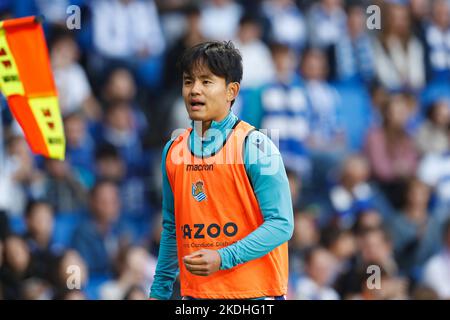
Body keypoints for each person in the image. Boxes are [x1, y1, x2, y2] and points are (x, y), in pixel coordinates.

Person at [149, 41, 294, 300]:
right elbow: (172, 229)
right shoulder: (173, 151)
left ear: (231, 91)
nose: (194, 90)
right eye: (188, 81)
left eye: (206, 82)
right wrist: (158, 293)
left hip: (254, 296)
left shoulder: (255, 145)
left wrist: (223, 257)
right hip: (196, 297)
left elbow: (281, 224)